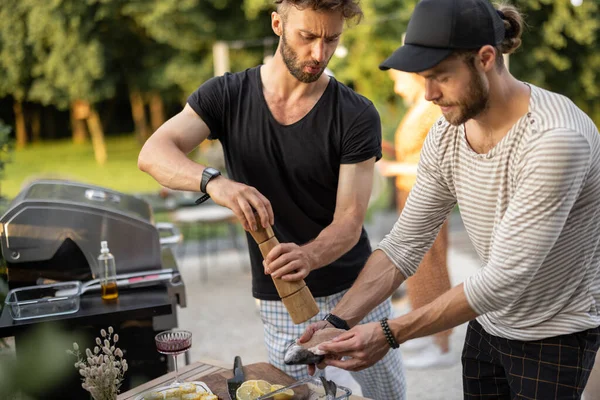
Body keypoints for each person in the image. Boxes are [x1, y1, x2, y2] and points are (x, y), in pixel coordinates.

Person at [300, 0, 600, 398]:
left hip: (554, 331)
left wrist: (390, 333)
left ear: (486, 58)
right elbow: (405, 243)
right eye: (423, 77)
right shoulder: (447, 133)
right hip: (487, 322)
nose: (428, 94)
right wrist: (337, 321)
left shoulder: (554, 140)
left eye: (440, 76)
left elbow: (505, 278)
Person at [137, 0, 406, 398]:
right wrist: (216, 183)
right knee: (293, 397)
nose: (320, 53)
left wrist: (309, 256)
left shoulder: (355, 114)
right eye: (307, 36)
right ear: (278, 24)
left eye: (332, 38)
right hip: (281, 300)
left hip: (356, 291)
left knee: (389, 397)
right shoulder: (226, 95)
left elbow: (349, 223)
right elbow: (153, 153)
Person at [378, 67, 455, 369]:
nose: (397, 89)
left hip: (429, 202)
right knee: (419, 270)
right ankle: (428, 332)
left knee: (433, 268)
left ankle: (443, 343)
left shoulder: (432, 112)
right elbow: (415, 153)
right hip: (409, 199)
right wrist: (389, 151)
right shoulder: (419, 110)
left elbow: (438, 167)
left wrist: (392, 169)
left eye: (398, 81)